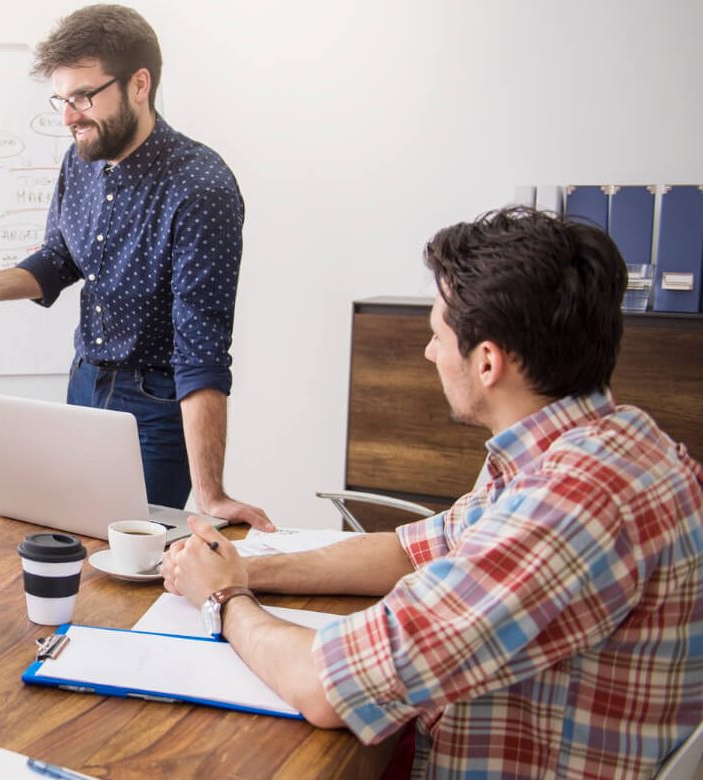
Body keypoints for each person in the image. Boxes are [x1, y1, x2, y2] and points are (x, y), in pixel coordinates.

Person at [162, 207, 703, 778]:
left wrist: (223, 602)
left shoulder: (573, 502)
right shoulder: (596, 440)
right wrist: (242, 567)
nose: (429, 353)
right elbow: (412, 549)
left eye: (437, 335)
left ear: (488, 361)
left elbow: (326, 686)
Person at [0, 5, 271, 530]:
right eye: (61, 98)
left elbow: (202, 351)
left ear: (139, 84)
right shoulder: (79, 161)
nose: (68, 116)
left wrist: (211, 494)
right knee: (72, 540)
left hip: (154, 404)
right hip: (83, 386)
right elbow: (59, 259)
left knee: (136, 558)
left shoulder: (201, 188)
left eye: (83, 96)